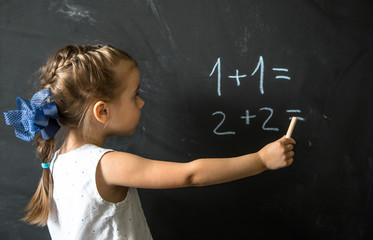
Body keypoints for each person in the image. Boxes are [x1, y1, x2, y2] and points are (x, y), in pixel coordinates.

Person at [3, 44, 296, 240]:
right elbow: (190, 175)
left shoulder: (55, 160)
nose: (141, 103)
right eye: (134, 96)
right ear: (102, 111)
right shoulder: (106, 164)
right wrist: (260, 160)